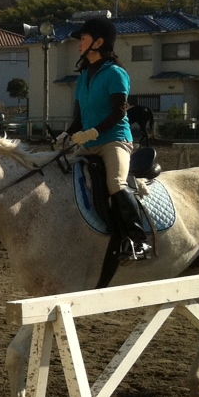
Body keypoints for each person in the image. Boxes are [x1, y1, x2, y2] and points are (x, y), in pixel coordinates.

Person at [59, 16, 152, 262]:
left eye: (84, 38)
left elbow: (119, 111)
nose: (79, 43)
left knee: (116, 184)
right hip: (88, 144)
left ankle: (138, 241)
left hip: (114, 140)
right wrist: (67, 134)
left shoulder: (116, 73)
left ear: (99, 42)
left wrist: (94, 132)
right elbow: (80, 117)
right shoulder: (83, 77)